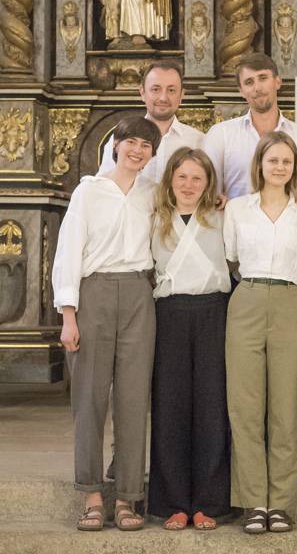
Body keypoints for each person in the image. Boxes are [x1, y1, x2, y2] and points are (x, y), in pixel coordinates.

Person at [53, 116, 161, 531]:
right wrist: (68, 315)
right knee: (90, 399)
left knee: (134, 400)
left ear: (152, 155)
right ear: (116, 145)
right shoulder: (89, 191)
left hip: (138, 293)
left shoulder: (153, 193)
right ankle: (93, 495)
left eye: (146, 146)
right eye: (130, 142)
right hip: (93, 292)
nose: (137, 150)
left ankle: (128, 497)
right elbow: (68, 251)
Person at [223, 131, 297, 534]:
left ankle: (279, 502)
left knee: (284, 407)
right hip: (246, 298)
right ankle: (253, 502)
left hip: (289, 301)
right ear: (259, 164)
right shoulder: (237, 209)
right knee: (245, 407)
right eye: (273, 160)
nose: (279, 167)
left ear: (295, 168)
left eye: (286, 161)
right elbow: (231, 256)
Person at [147, 147, 231, 531]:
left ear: (208, 183)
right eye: (182, 176)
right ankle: (174, 502)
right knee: (171, 406)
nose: (189, 184)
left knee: (213, 406)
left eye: (197, 178)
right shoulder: (155, 218)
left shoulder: (222, 216)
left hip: (214, 312)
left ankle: (209, 501)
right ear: (170, 180)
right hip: (170, 314)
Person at [204, 52, 297, 202]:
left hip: (289, 217)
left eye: (263, 78)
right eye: (249, 82)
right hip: (234, 216)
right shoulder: (220, 135)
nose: (257, 88)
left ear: (277, 82)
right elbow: (211, 197)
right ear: (241, 91)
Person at [98, 59, 203, 182]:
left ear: (181, 96)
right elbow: (104, 184)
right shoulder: (122, 137)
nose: (163, 98)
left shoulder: (198, 141)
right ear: (143, 93)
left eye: (171, 90)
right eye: (156, 89)